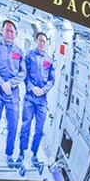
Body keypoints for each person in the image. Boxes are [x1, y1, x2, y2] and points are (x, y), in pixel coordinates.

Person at [0, 20, 26, 168]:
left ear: (16, 34)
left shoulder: (20, 52)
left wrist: (10, 84)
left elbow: (23, 73)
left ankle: (9, 154)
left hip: (12, 94)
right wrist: (1, 83)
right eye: (7, 30)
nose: (9, 33)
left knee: (13, 126)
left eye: (12, 31)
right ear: (2, 31)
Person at [17, 32, 55, 167]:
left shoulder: (49, 60)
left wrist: (43, 90)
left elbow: (52, 80)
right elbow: (25, 74)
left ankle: (34, 154)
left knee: (39, 129)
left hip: (42, 101)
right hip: (29, 97)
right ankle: (21, 152)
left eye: (44, 41)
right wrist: (32, 87)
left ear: (47, 43)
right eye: (40, 40)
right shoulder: (29, 55)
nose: (42, 43)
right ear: (36, 41)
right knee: (26, 125)